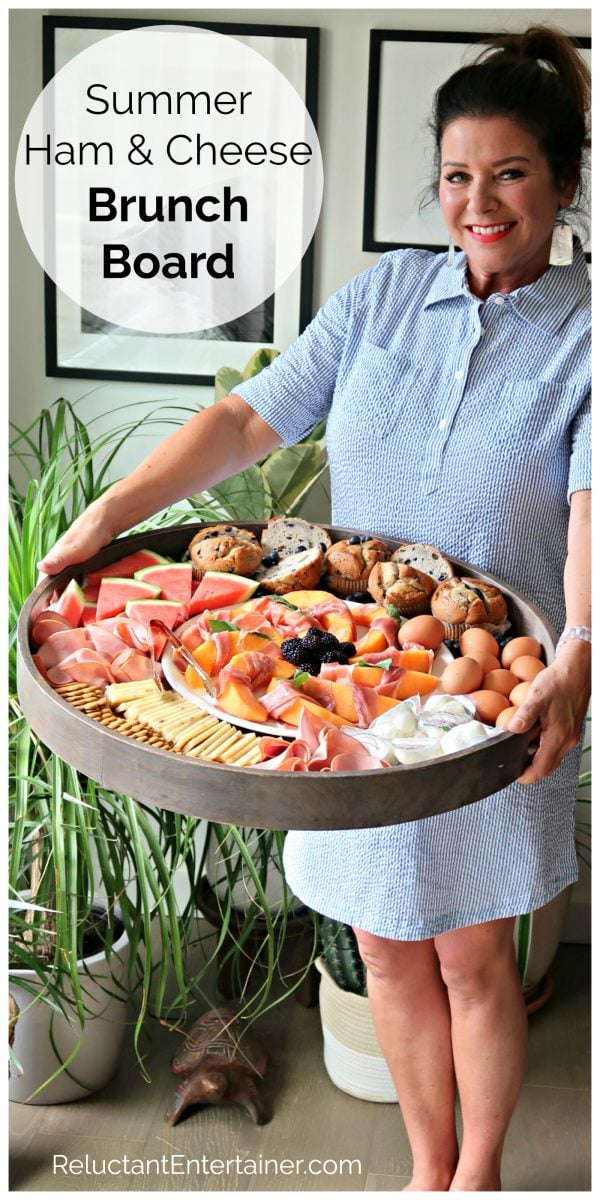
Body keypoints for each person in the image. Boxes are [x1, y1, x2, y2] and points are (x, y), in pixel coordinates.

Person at [39, 26, 590, 1192]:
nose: (478, 201)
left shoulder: (590, 333)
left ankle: (478, 1177)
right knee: (386, 954)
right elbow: (249, 422)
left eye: (510, 173)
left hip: (488, 703)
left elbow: (595, 506)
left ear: (563, 183)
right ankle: (424, 1169)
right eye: (457, 175)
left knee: (475, 958)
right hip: (342, 686)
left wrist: (579, 648)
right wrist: (108, 512)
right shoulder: (385, 293)